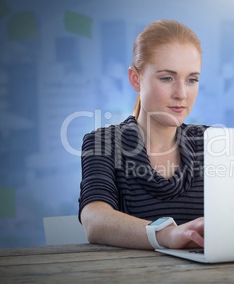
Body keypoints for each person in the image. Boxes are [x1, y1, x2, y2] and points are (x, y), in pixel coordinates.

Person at [78, 20, 206, 249]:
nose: (181, 94)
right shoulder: (103, 143)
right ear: (136, 79)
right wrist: (167, 236)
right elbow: (93, 220)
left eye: (192, 80)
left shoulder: (213, 142)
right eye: (167, 78)